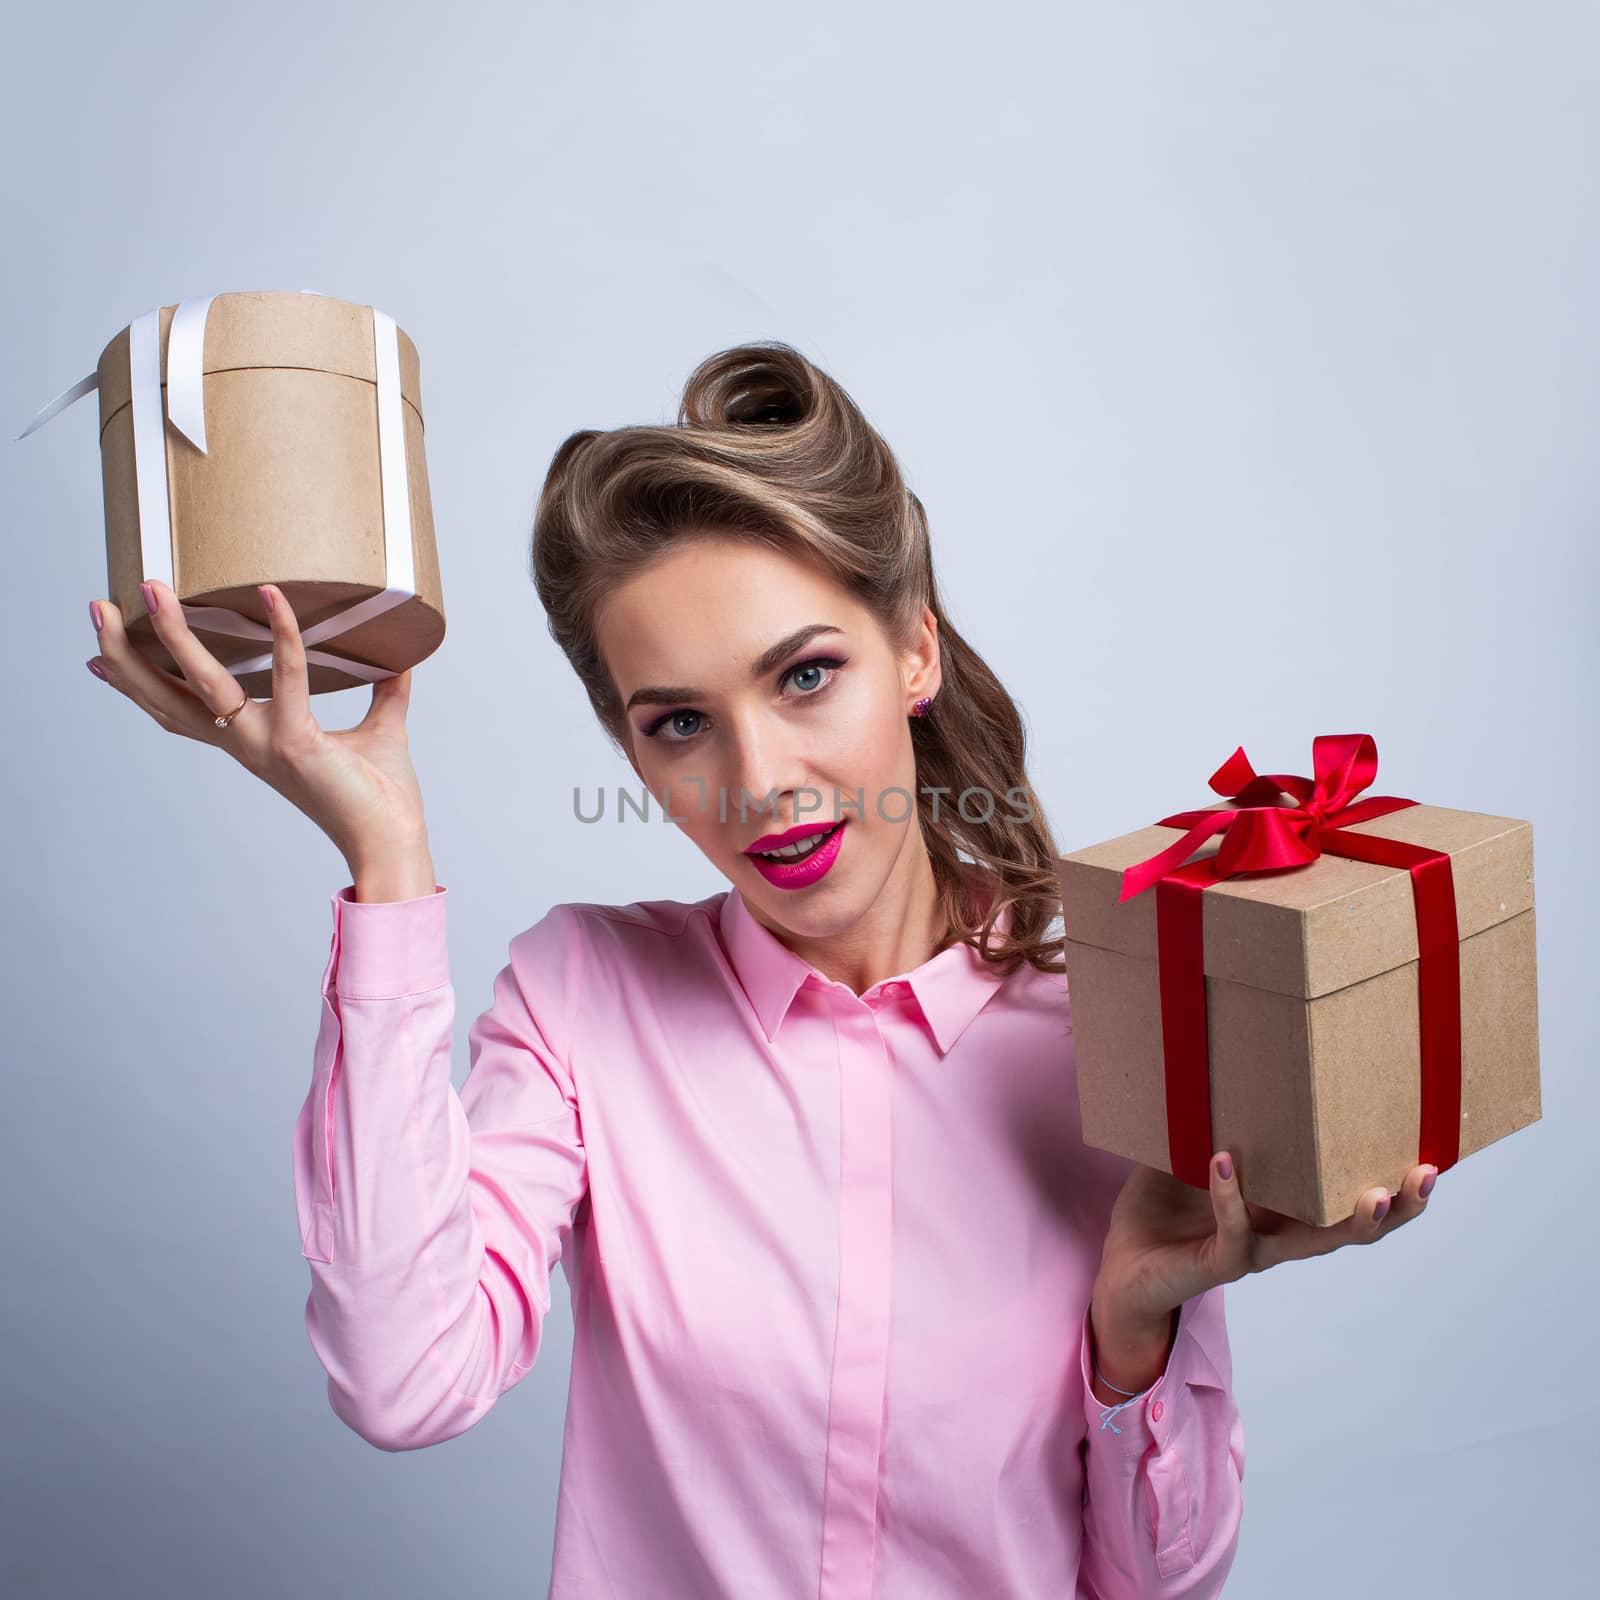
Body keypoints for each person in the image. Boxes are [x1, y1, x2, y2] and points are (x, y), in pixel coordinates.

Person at [84, 341, 1437, 1598]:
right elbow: (401, 1381)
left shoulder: (1109, 1036)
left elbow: (1159, 1581)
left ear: (912, 649)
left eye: (804, 677)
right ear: (631, 747)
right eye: (678, 722)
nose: (759, 784)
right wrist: (386, 862)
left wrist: (1138, 1319)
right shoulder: (582, 999)